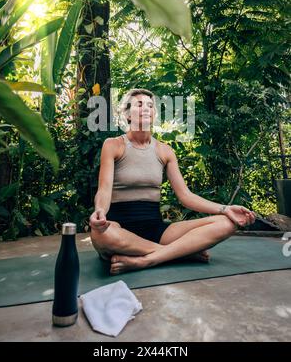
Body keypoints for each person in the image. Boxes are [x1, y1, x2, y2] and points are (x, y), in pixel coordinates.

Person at [90, 88, 256, 275]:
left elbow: (185, 196)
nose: (146, 108)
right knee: (100, 234)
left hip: (157, 229)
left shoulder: (165, 151)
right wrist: (100, 212)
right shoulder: (112, 145)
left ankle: (148, 259)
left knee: (226, 223)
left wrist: (225, 208)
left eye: (150, 105)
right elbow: (104, 190)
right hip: (119, 228)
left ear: (154, 114)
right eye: (139, 104)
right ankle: (181, 253)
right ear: (128, 115)